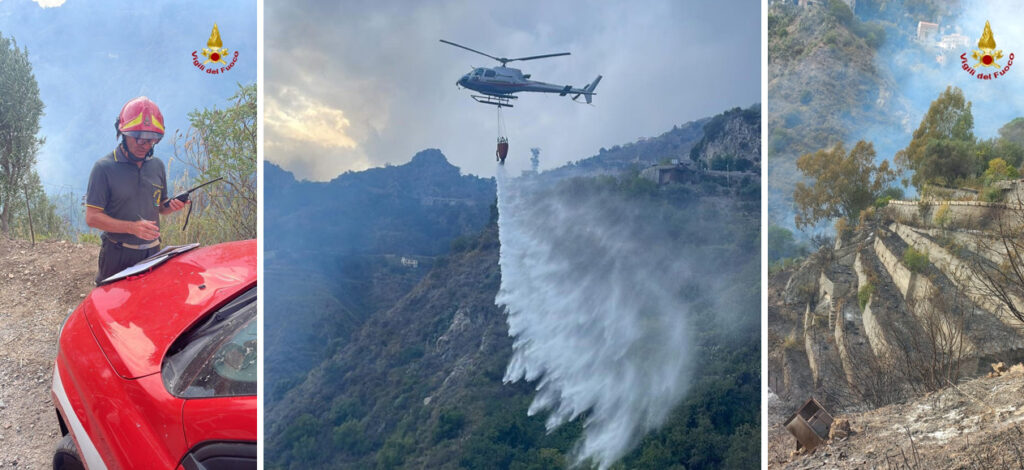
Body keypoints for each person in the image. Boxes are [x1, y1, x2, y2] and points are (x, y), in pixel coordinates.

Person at [85, 96, 187, 284]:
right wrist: (131, 227)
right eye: (138, 138)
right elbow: (92, 217)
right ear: (123, 133)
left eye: (151, 140)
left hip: (153, 253)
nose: (144, 145)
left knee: (149, 303)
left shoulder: (156, 165)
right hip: (118, 254)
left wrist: (171, 206)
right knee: (113, 305)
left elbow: (159, 206)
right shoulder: (104, 168)